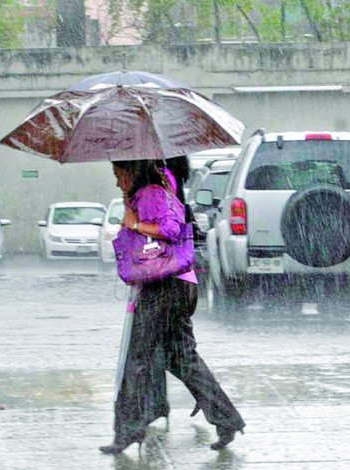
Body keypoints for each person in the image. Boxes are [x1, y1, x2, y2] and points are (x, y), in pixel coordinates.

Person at [100, 159, 246, 454]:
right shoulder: (149, 191)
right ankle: (227, 418)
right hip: (177, 285)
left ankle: (128, 429)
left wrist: (135, 223)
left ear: (132, 171)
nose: (117, 182)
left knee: (137, 358)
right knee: (180, 358)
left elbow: (170, 229)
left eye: (119, 175)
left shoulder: (152, 192)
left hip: (164, 287)